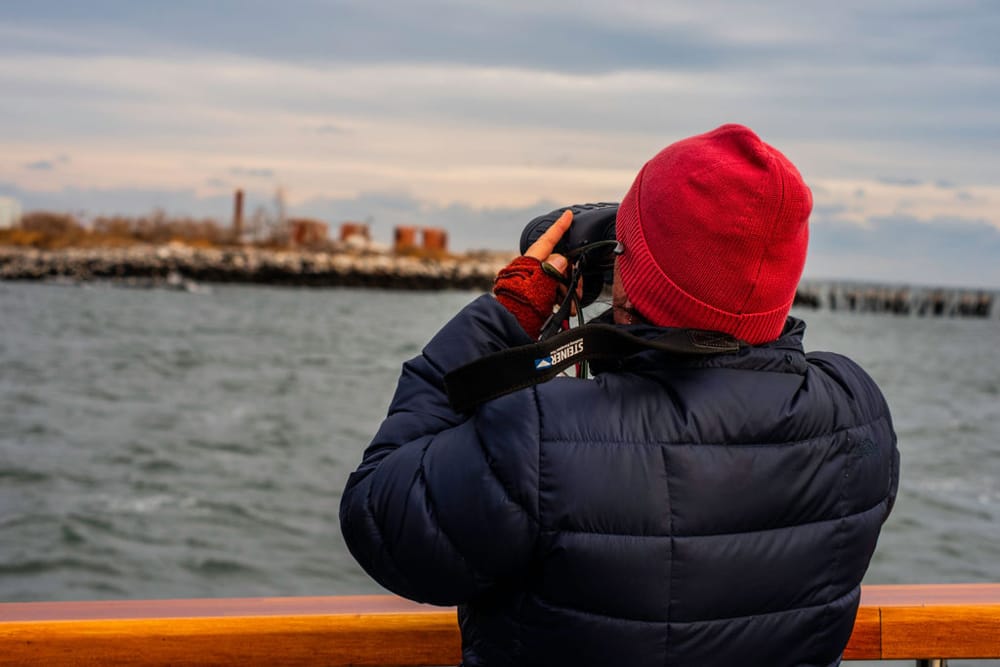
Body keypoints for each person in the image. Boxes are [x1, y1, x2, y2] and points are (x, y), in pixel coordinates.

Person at [340, 124, 899, 667]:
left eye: (626, 248)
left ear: (638, 279)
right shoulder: (856, 414)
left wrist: (505, 317)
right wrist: (634, 324)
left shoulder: (542, 438)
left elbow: (380, 518)